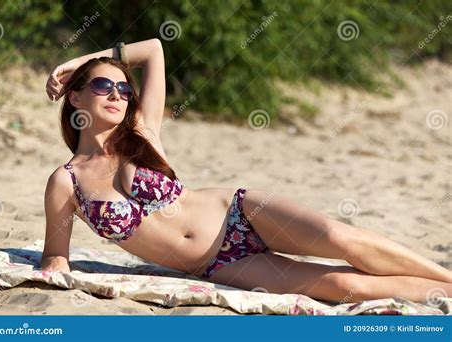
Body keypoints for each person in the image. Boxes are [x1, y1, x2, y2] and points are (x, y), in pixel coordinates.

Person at [42, 38, 451, 304]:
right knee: (346, 287)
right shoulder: (67, 182)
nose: (117, 94)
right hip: (217, 264)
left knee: (339, 238)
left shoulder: (142, 130)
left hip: (237, 211)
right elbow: (56, 259)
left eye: (123, 89)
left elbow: (152, 50)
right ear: (75, 97)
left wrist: (82, 60)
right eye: (101, 86)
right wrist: (56, 269)